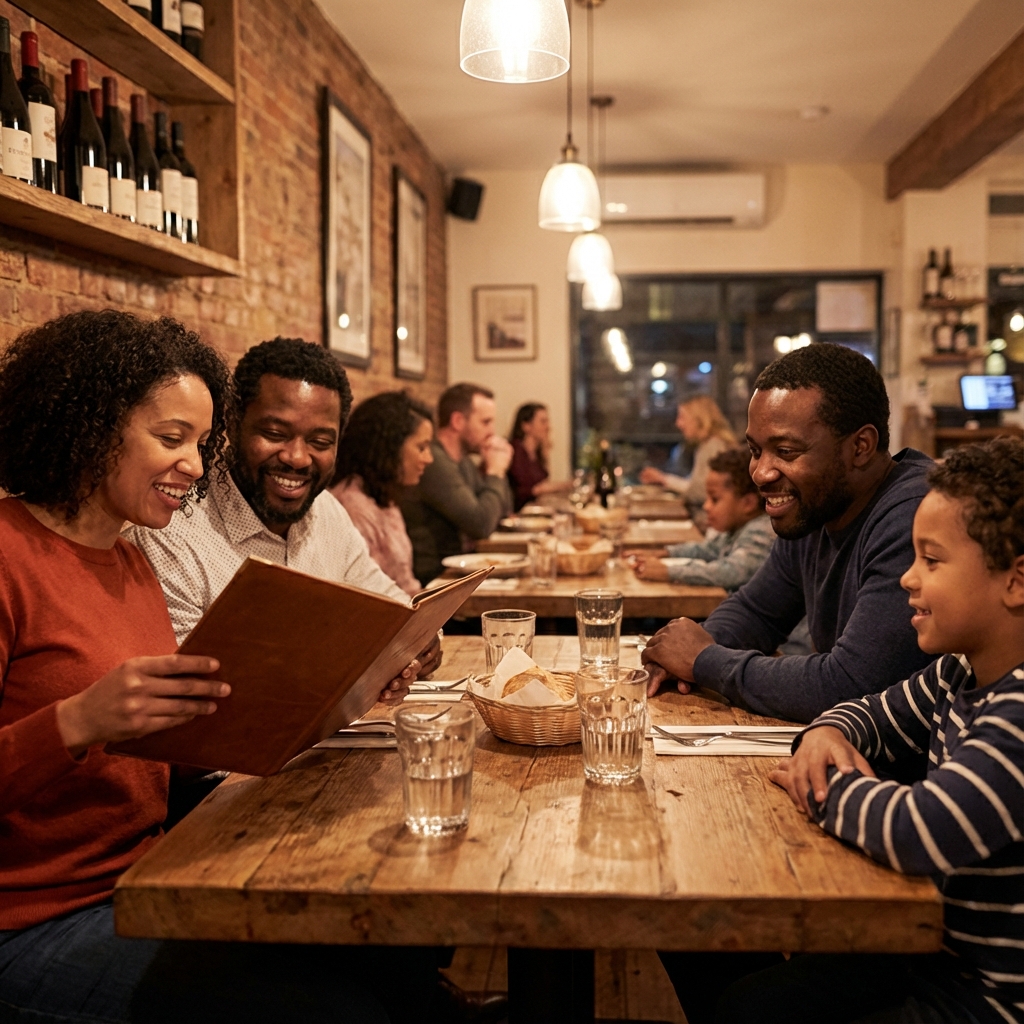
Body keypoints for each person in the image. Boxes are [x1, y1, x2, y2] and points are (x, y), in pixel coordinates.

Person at [0, 311, 401, 1023]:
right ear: (93, 427)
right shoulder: (10, 556)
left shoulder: (128, 555)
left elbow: (168, 757)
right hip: (33, 922)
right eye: (170, 438)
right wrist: (75, 722)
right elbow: (89, 725)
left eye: (200, 441)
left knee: (382, 937)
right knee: (331, 1001)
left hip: (152, 874)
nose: (194, 464)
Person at [663, 437, 1024, 1024]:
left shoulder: (1018, 710)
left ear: (1015, 581)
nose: (908, 579)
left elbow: (921, 829)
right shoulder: (958, 671)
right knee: (733, 988)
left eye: (931, 561)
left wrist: (825, 784)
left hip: (982, 1000)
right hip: (932, 958)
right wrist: (829, 732)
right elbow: (865, 710)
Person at [129, 338, 440, 700]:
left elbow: (396, 610)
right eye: (275, 434)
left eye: (320, 441)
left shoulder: (326, 511)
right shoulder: (172, 530)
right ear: (231, 422)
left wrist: (421, 644)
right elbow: (185, 699)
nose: (297, 457)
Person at [642, 343, 935, 723]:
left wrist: (704, 659)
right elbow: (758, 611)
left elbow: (851, 684)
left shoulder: (918, 515)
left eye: (786, 451)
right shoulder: (819, 507)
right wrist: (679, 656)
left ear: (861, 447)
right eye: (755, 450)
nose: (761, 473)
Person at [401, 383, 513, 585]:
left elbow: (501, 513)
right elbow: (480, 524)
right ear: (458, 421)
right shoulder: (433, 461)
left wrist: (497, 471)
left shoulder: (463, 460)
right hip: (433, 580)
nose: (492, 432)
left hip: (456, 574)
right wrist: (496, 472)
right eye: (486, 422)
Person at [331, 391, 434, 597]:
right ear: (389, 448)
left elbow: (405, 584)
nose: (429, 458)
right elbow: (368, 598)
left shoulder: (383, 497)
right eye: (421, 447)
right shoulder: (353, 507)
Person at [632, 447, 775, 590]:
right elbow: (710, 549)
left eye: (715, 499)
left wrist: (669, 572)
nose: (706, 506)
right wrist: (665, 553)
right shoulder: (738, 528)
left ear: (748, 503)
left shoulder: (760, 531)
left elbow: (731, 571)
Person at [639, 396, 736, 508]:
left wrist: (664, 479)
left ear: (699, 418)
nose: (678, 424)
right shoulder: (707, 445)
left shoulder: (713, 446)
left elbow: (701, 492)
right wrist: (663, 480)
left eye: (682, 417)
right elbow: (696, 486)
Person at [507, 402, 572, 510]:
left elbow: (544, 481)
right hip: (517, 513)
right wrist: (569, 484)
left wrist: (545, 452)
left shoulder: (536, 453)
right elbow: (534, 489)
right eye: (543, 422)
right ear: (526, 426)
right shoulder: (515, 450)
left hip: (535, 511)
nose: (548, 427)